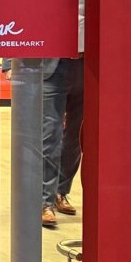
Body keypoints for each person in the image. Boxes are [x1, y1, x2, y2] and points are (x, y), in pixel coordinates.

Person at [40, 55, 84, 227]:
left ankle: (61, 191)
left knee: (75, 137)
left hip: (87, 65)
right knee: (50, 136)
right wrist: (8, 63)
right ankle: (45, 202)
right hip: (53, 66)